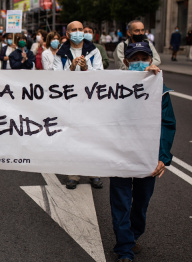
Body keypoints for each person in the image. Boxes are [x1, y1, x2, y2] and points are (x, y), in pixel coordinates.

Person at [111, 41, 176, 262]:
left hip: (146, 157)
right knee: (120, 201)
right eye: (135, 59)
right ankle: (124, 248)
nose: (140, 63)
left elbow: (167, 124)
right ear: (126, 62)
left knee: (140, 203)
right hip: (120, 154)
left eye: (144, 59)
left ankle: (133, 234)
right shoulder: (113, 87)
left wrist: (162, 157)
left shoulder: (160, 89)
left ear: (151, 60)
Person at [52, 21, 103, 188]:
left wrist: (87, 69)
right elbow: (56, 79)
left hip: (89, 102)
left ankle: (94, 172)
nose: (78, 32)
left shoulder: (94, 51)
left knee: (92, 137)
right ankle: (73, 174)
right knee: (72, 137)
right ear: (67, 34)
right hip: (70, 102)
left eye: (80, 29)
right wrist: (71, 69)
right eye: (74, 30)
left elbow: (101, 76)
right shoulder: (61, 54)